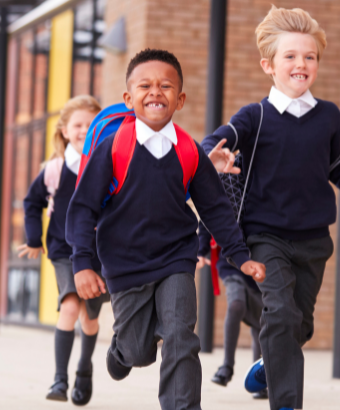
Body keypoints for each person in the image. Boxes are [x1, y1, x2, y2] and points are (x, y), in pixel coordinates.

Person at [201, 7, 340, 410]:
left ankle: (266, 364)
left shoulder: (328, 116)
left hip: (313, 241)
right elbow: (216, 141)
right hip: (264, 237)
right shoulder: (254, 116)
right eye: (290, 56)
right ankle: (286, 402)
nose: (300, 64)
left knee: (298, 324)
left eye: (309, 57)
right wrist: (210, 156)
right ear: (268, 65)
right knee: (283, 317)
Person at [66, 48, 266, 410]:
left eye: (166, 86)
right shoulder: (113, 148)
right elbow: (82, 207)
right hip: (125, 264)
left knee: (180, 334)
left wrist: (240, 255)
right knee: (140, 351)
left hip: (176, 257)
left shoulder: (189, 151)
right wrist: (82, 262)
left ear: (181, 99)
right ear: (129, 98)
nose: (156, 92)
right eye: (145, 85)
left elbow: (216, 208)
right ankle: (122, 349)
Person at [18, 95, 107, 405]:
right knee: (70, 305)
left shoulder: (108, 162)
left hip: (100, 252)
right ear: (65, 130)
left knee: (90, 318)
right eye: (78, 125)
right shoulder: (55, 169)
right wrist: (33, 239)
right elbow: (32, 203)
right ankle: (60, 379)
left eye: (91, 124)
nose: (85, 130)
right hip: (63, 249)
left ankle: (84, 368)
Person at [197, 224, 266, 400]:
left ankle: (260, 378)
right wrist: (200, 250)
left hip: (260, 258)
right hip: (229, 258)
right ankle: (226, 367)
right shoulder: (224, 194)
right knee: (236, 304)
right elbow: (208, 217)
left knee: (261, 319)